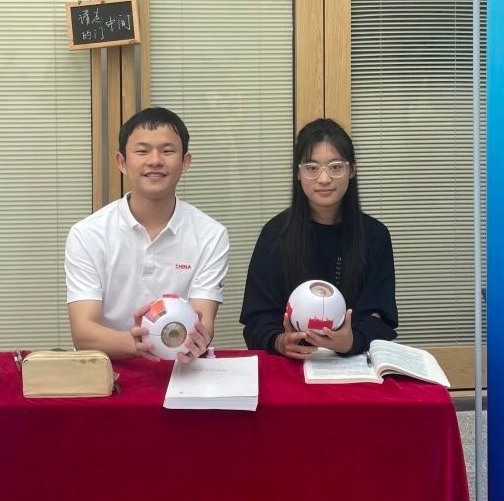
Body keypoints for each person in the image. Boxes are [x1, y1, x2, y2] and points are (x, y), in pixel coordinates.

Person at [65, 107, 229, 363]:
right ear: (122, 162)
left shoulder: (211, 235)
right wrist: (137, 342)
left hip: (181, 368)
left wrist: (198, 338)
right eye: (142, 151)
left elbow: (202, 323)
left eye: (167, 151)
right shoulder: (87, 234)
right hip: (107, 369)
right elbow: (84, 333)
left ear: (185, 162)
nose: (155, 161)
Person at [240, 118, 398, 358]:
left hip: (354, 364)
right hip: (292, 364)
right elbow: (256, 320)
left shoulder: (375, 236)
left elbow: (381, 317)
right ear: (298, 173)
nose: (324, 179)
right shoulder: (274, 234)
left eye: (335, 167)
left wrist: (351, 341)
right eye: (312, 168)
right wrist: (280, 341)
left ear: (352, 170)